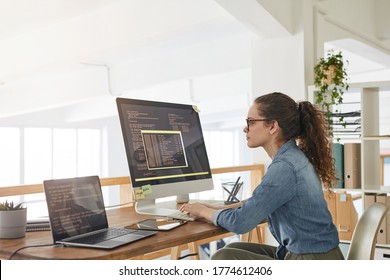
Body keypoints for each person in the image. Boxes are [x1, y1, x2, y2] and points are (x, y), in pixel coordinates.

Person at [180, 92, 344, 260]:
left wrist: (203, 211)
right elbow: (262, 204)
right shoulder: (292, 157)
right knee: (233, 248)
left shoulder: (285, 167)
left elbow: (241, 223)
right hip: (317, 254)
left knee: (224, 257)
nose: (245, 128)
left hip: (311, 260)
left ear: (272, 126)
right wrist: (215, 209)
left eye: (251, 122)